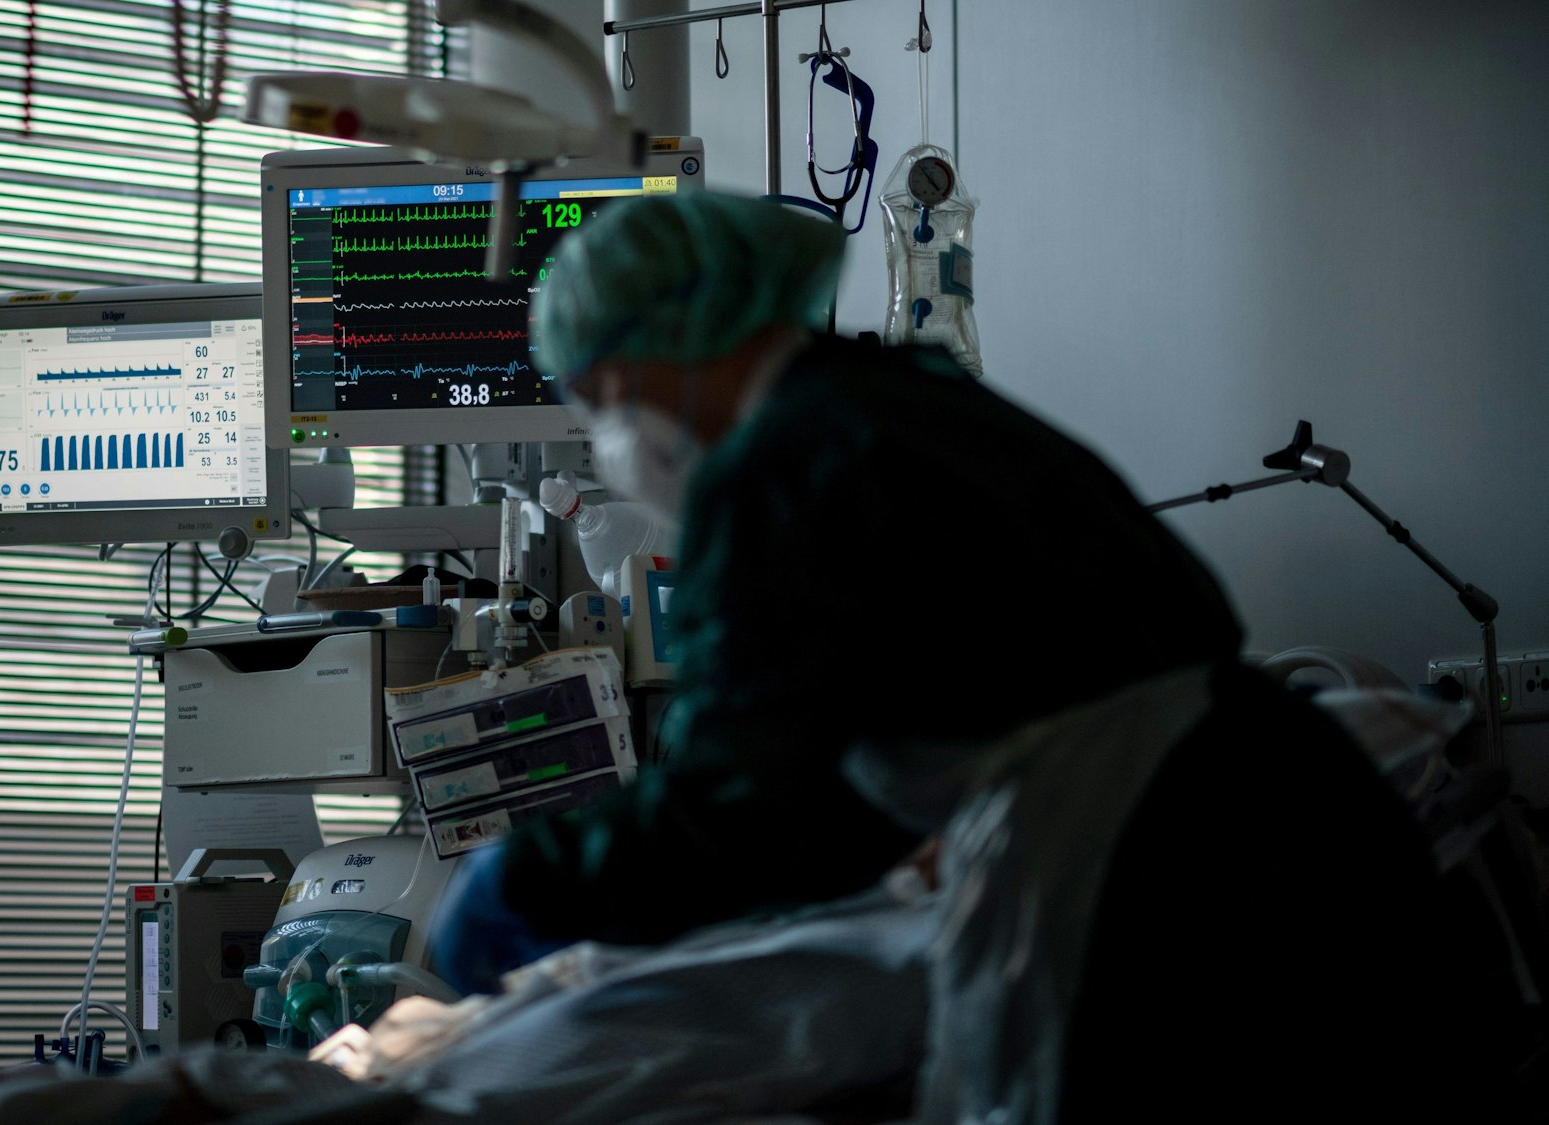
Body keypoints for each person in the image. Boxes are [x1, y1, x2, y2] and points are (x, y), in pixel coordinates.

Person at [424, 193, 1488, 1114]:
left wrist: (528, 880)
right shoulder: (906, 403)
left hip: (1157, 880)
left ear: (675, 331)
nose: (611, 430)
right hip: (1290, 799)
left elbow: (749, 803)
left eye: (605, 393)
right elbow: (882, 745)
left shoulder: (781, 468)